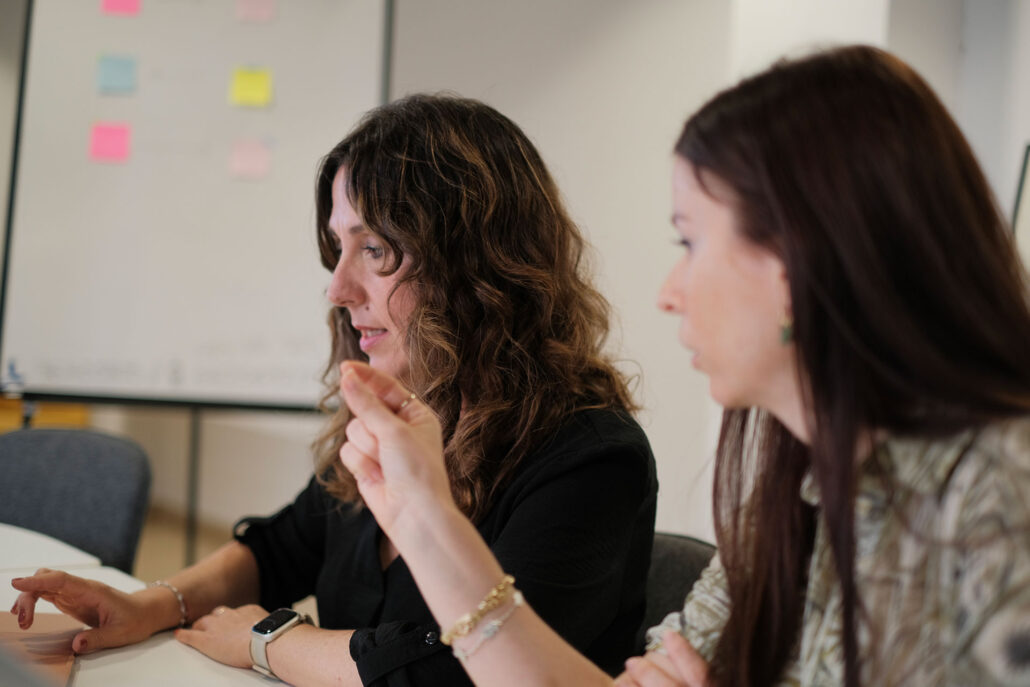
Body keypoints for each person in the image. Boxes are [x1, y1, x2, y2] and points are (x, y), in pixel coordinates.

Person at [333, 45, 1030, 686]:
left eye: (690, 241)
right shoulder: (795, 490)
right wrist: (426, 520)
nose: (669, 293)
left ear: (800, 258)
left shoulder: (1000, 491)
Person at [9, 94, 658, 686]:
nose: (338, 288)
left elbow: (457, 671)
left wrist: (269, 641)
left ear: (475, 266)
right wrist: (146, 604)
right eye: (337, 247)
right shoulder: (402, 408)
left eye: (373, 247)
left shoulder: (592, 458)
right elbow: (280, 547)